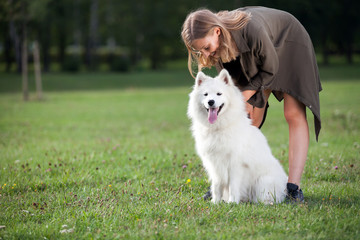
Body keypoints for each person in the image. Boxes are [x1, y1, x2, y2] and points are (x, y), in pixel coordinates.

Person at [181, 6, 322, 202]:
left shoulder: (253, 30)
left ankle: (293, 187)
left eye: (206, 48)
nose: (204, 55)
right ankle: (228, 183)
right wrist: (242, 101)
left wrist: (244, 96)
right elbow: (233, 88)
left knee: (292, 113)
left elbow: (270, 69)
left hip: (289, 43)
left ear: (217, 31)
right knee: (249, 116)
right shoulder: (217, 47)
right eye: (199, 50)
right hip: (262, 57)